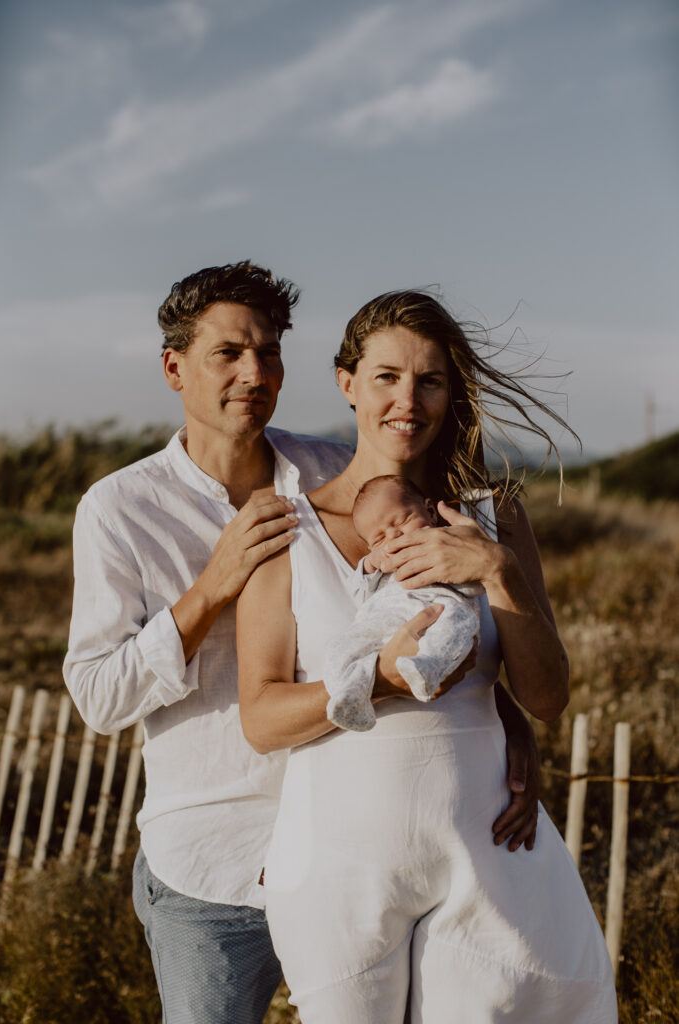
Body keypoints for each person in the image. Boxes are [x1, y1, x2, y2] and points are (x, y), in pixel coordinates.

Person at [62, 263, 540, 1024]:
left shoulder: (332, 476)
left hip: (358, 853)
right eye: (229, 353)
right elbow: (98, 696)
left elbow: (406, 614)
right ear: (173, 367)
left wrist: (505, 719)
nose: (255, 373)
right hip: (218, 867)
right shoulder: (119, 509)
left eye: (271, 352)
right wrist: (212, 585)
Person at [236, 290, 617, 1023]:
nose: (406, 399)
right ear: (347, 383)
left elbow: (547, 696)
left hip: (486, 852)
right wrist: (376, 680)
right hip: (338, 866)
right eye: (386, 376)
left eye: (429, 379)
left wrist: (495, 571)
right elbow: (261, 720)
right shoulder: (285, 531)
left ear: (451, 391)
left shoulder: (492, 513)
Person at [324, 474, 482, 731]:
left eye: (403, 520)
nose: (394, 535)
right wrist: (370, 565)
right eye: (378, 538)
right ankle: (351, 694)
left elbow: (475, 585)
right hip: (386, 617)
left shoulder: (446, 541)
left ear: (430, 512)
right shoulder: (380, 567)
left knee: (461, 622)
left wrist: (465, 557)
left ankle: (428, 666)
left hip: (439, 609)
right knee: (340, 648)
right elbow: (358, 593)